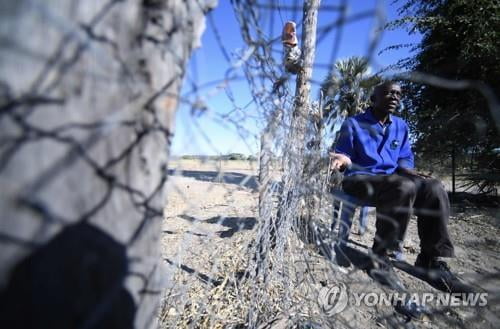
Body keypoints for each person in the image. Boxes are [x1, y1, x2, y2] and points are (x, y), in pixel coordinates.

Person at [330, 81, 470, 293]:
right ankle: (379, 256)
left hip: (392, 181)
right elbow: (343, 153)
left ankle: (429, 260)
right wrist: (342, 160)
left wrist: (407, 169)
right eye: (388, 93)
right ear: (373, 99)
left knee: (434, 187)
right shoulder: (354, 123)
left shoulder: (400, 126)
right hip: (360, 178)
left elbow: (405, 157)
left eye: (397, 94)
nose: (394, 97)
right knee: (402, 187)